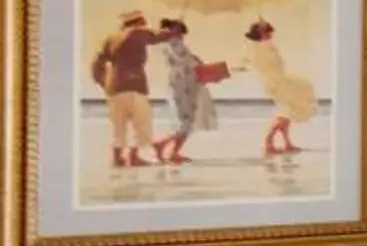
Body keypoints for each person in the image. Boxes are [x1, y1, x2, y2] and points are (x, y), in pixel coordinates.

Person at [89, 9, 161, 168]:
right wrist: (175, 30)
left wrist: (103, 82)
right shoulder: (137, 34)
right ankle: (133, 158)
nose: (145, 24)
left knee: (118, 126)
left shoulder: (111, 39)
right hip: (134, 85)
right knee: (141, 123)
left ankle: (117, 159)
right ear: (138, 22)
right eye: (143, 21)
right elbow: (157, 37)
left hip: (114, 88)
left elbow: (97, 64)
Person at [242, 17, 318, 156]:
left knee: (287, 111)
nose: (270, 35)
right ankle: (269, 141)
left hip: (279, 80)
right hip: (275, 82)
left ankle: (286, 142)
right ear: (261, 33)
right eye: (267, 32)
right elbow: (261, 65)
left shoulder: (264, 46)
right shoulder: (258, 48)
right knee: (286, 112)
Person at [154, 18, 226, 164]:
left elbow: (189, 62)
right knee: (186, 121)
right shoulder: (172, 44)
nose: (181, 34)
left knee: (187, 120)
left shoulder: (172, 44)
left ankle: (171, 150)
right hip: (184, 84)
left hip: (186, 83)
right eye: (178, 30)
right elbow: (186, 62)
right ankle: (163, 145)